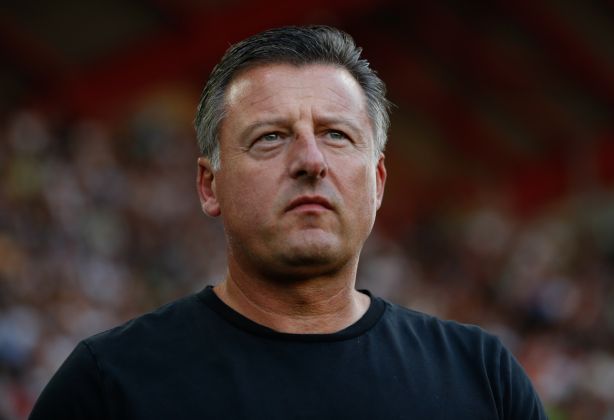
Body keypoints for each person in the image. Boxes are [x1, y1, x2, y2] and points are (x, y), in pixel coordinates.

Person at [30, 25, 547, 419]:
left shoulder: (482, 376)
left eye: (337, 135)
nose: (310, 160)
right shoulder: (109, 385)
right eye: (271, 137)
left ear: (379, 182)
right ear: (210, 186)